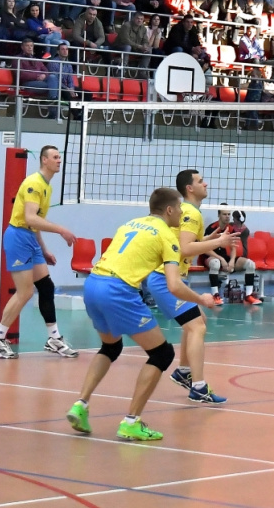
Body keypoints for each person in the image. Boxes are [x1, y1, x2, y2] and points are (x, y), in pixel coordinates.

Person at [65, 187, 217, 441]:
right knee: (162, 354)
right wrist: (201, 298)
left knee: (110, 347)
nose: (182, 213)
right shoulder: (167, 235)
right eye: (179, 208)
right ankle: (131, 422)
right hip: (118, 290)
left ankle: (80, 405)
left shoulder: (130, 224)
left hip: (93, 284)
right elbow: (174, 285)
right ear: (169, 210)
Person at [145, 171, 243, 404]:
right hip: (164, 278)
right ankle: (198, 387)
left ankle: (183, 371)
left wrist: (209, 239)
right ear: (189, 188)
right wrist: (219, 242)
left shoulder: (190, 212)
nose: (205, 183)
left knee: (198, 320)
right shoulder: (190, 213)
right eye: (200, 181)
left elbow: (186, 243)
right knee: (197, 326)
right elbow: (184, 248)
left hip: (171, 276)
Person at [0, 145, 78, 359]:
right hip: (18, 237)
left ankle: (54, 338)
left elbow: (35, 224)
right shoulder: (34, 183)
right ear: (44, 160)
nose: (59, 160)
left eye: (59, 157)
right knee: (25, 292)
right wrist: (61, 230)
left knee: (46, 287)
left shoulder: (47, 187)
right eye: (55, 157)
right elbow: (30, 218)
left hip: (30, 238)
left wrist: (44, 250)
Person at [203, 206, 260, 305]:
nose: (227, 216)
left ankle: (248, 296)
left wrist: (232, 261)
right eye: (224, 214)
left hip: (224, 257)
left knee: (250, 264)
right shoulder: (211, 228)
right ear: (219, 215)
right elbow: (205, 248)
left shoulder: (230, 228)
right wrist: (221, 259)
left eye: (229, 214)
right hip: (210, 256)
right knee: (216, 263)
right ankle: (215, 296)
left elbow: (233, 248)